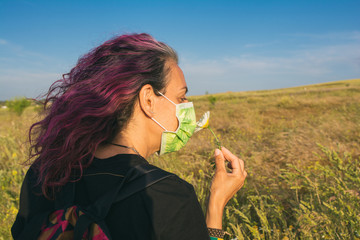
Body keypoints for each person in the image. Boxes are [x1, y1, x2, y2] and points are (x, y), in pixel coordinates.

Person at [12, 33, 247, 240]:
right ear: (148, 100)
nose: (187, 107)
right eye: (182, 98)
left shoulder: (45, 172)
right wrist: (216, 204)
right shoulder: (165, 195)